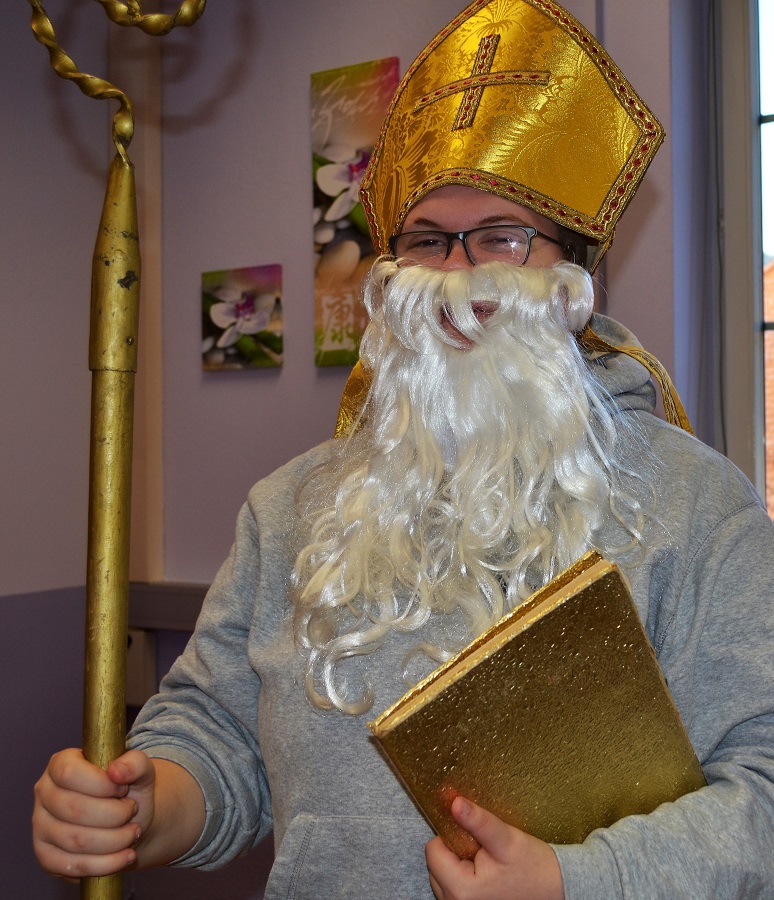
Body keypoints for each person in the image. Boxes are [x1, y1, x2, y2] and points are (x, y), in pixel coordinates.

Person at [32, 1, 774, 898]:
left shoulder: (699, 505)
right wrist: (148, 802)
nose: (457, 277)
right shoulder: (288, 508)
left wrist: (576, 881)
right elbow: (217, 737)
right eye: (426, 242)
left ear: (572, 275)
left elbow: (764, 792)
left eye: (501, 238)